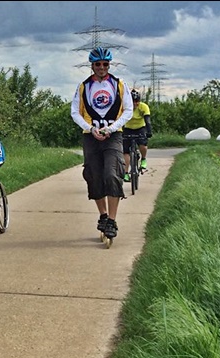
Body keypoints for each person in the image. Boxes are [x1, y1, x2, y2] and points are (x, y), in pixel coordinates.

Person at [70, 47, 133, 239]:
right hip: (91, 135)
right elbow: (75, 112)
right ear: (92, 66)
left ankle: (112, 220)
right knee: (94, 176)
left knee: (112, 174)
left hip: (113, 135)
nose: (102, 68)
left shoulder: (118, 84)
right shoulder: (84, 87)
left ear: (109, 65)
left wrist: (112, 128)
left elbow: (128, 110)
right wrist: (90, 129)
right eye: (98, 64)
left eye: (105, 64)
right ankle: (103, 216)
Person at [122, 89, 152, 181]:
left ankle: (143, 159)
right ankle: (126, 173)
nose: (135, 104)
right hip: (128, 129)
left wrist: (149, 132)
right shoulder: (124, 107)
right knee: (126, 152)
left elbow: (147, 121)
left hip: (140, 128)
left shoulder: (144, 107)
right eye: (132, 102)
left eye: (137, 101)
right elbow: (120, 120)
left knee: (143, 144)